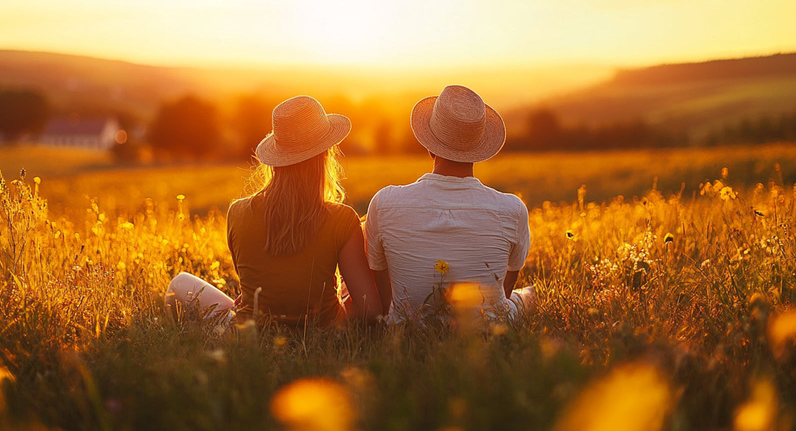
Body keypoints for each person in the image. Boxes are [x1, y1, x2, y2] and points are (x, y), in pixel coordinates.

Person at [166, 95, 383, 327]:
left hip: (249, 333)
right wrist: (338, 318)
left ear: (277, 159)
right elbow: (370, 310)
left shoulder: (238, 212)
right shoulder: (342, 219)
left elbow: (259, 285)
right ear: (325, 156)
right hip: (322, 332)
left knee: (180, 283)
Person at [364, 85, 534, 324]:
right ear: (479, 149)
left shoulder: (384, 203)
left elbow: (381, 284)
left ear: (429, 146)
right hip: (486, 326)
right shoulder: (513, 209)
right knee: (529, 295)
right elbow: (506, 286)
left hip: (407, 325)